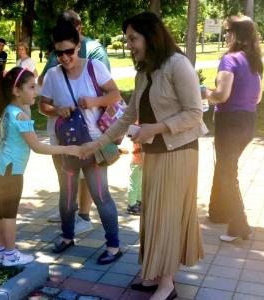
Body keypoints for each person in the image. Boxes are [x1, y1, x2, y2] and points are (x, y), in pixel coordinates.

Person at [80, 12, 207, 299]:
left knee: (168, 216)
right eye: (128, 39)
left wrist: (156, 128)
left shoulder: (178, 64)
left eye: (133, 38)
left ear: (151, 36)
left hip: (180, 152)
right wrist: (96, 143)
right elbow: (127, 117)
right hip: (156, 152)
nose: (129, 44)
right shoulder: (144, 71)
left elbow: (194, 114)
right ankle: (153, 275)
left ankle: (167, 284)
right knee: (153, 214)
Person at [40, 22, 122, 265]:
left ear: (78, 46)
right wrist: (57, 109)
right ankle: (67, 237)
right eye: (59, 53)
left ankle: (114, 246)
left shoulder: (94, 67)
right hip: (65, 147)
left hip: (94, 144)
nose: (64, 58)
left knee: (100, 195)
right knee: (66, 197)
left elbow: (116, 95)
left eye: (69, 51)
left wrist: (94, 101)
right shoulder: (53, 75)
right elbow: (42, 106)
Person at [0, 66, 80, 267]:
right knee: (9, 214)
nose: (36, 92)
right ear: (16, 90)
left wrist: (27, 101)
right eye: (31, 87)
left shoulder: (9, 110)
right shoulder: (19, 116)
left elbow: (27, 108)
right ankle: (11, 255)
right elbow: (37, 147)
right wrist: (68, 149)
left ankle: (0, 251)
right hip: (11, 170)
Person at [203, 16, 263, 242]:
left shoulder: (229, 60)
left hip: (229, 124)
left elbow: (221, 95)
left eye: (229, 31)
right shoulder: (255, 61)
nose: (226, 35)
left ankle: (240, 225)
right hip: (248, 123)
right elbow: (258, 98)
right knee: (226, 168)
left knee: (228, 174)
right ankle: (218, 212)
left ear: (239, 35)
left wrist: (204, 92)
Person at [126, 142, 143, 215]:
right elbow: (139, 148)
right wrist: (143, 160)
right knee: (134, 184)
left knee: (139, 184)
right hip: (138, 163)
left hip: (140, 162)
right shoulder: (139, 135)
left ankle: (138, 201)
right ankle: (132, 204)